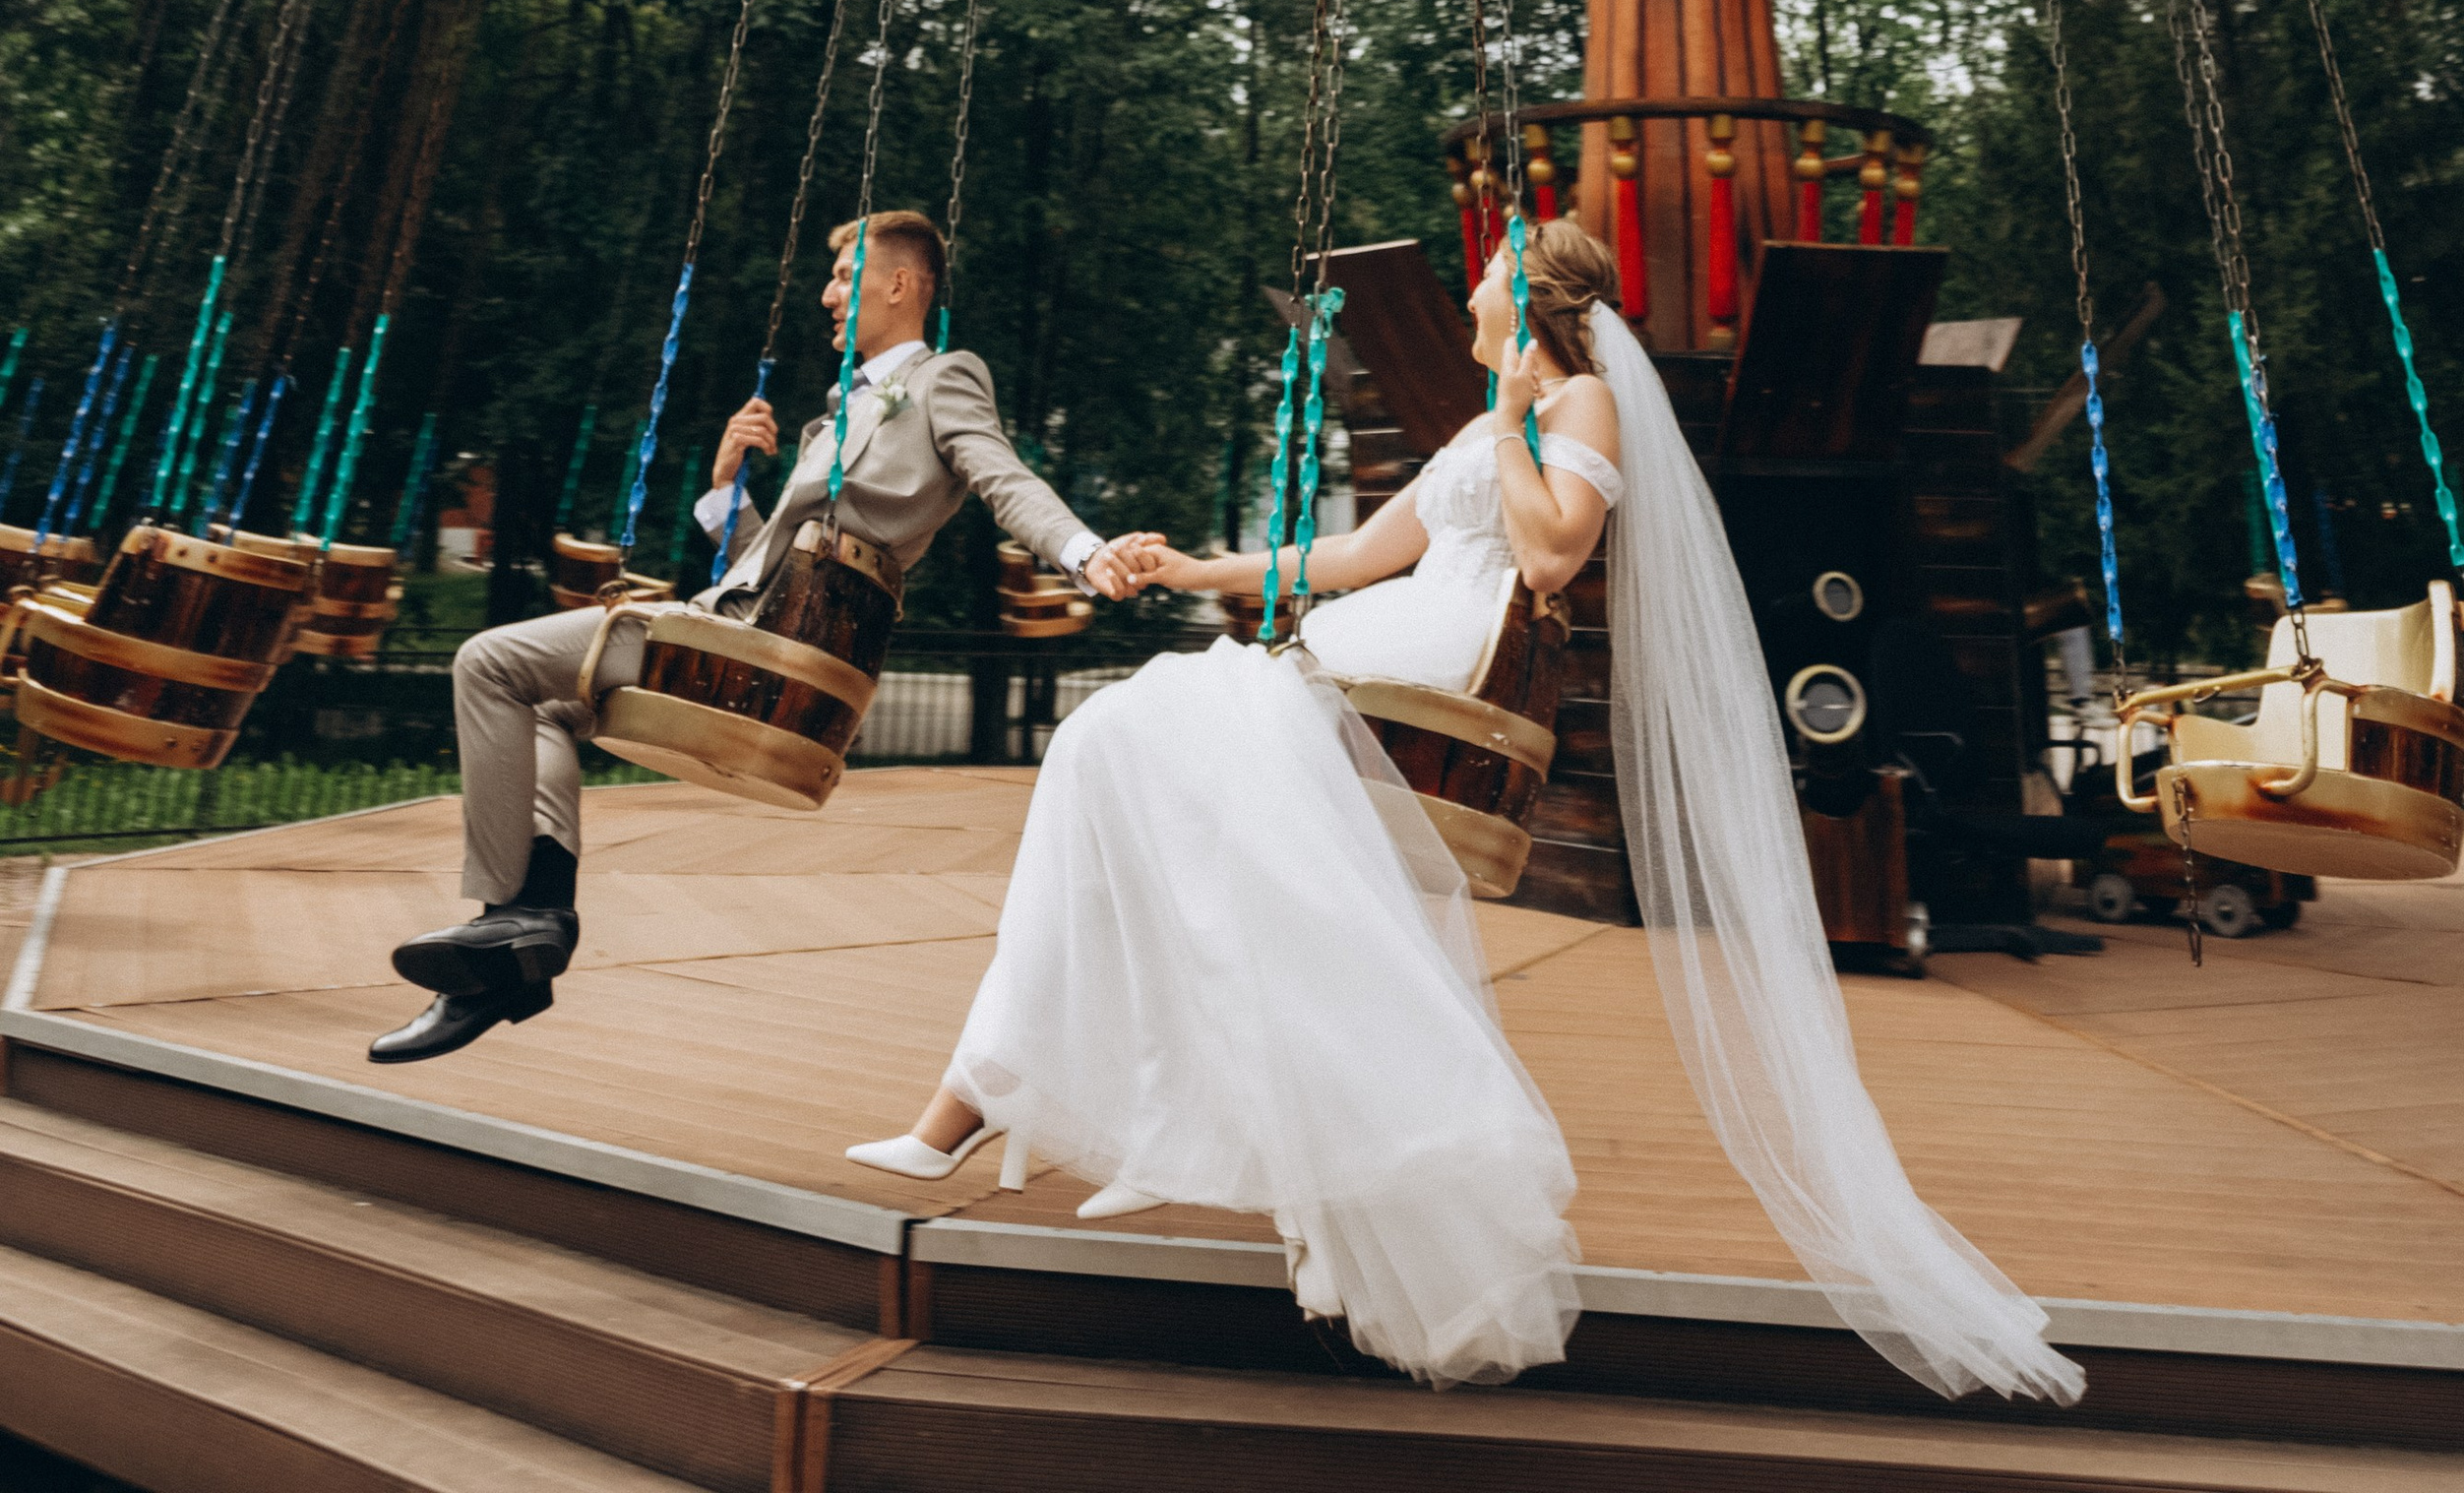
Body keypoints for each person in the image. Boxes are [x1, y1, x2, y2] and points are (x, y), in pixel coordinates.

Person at [849, 217, 2082, 1411]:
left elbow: (1549, 558)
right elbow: (1341, 562)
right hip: (1355, 646)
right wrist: (1195, 570)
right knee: (1141, 791)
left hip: (1424, 685)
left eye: (1488, 275)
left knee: (1121, 750)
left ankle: (1035, 1103)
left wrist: (1503, 426)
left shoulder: (1576, 403)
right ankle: (1095, 1109)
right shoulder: (1483, 425)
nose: (1470, 292)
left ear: (1533, 298)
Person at [371, 208, 1146, 1066]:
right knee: (546, 709)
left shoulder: (942, 380)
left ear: (900, 285)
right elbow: (767, 566)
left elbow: (1004, 478)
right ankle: (525, 934)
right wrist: (726, 487)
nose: (827, 293)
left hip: (774, 650)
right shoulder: (832, 421)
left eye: (846, 275)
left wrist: (1083, 550)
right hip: (748, 626)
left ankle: (512, 923)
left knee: (488, 662)